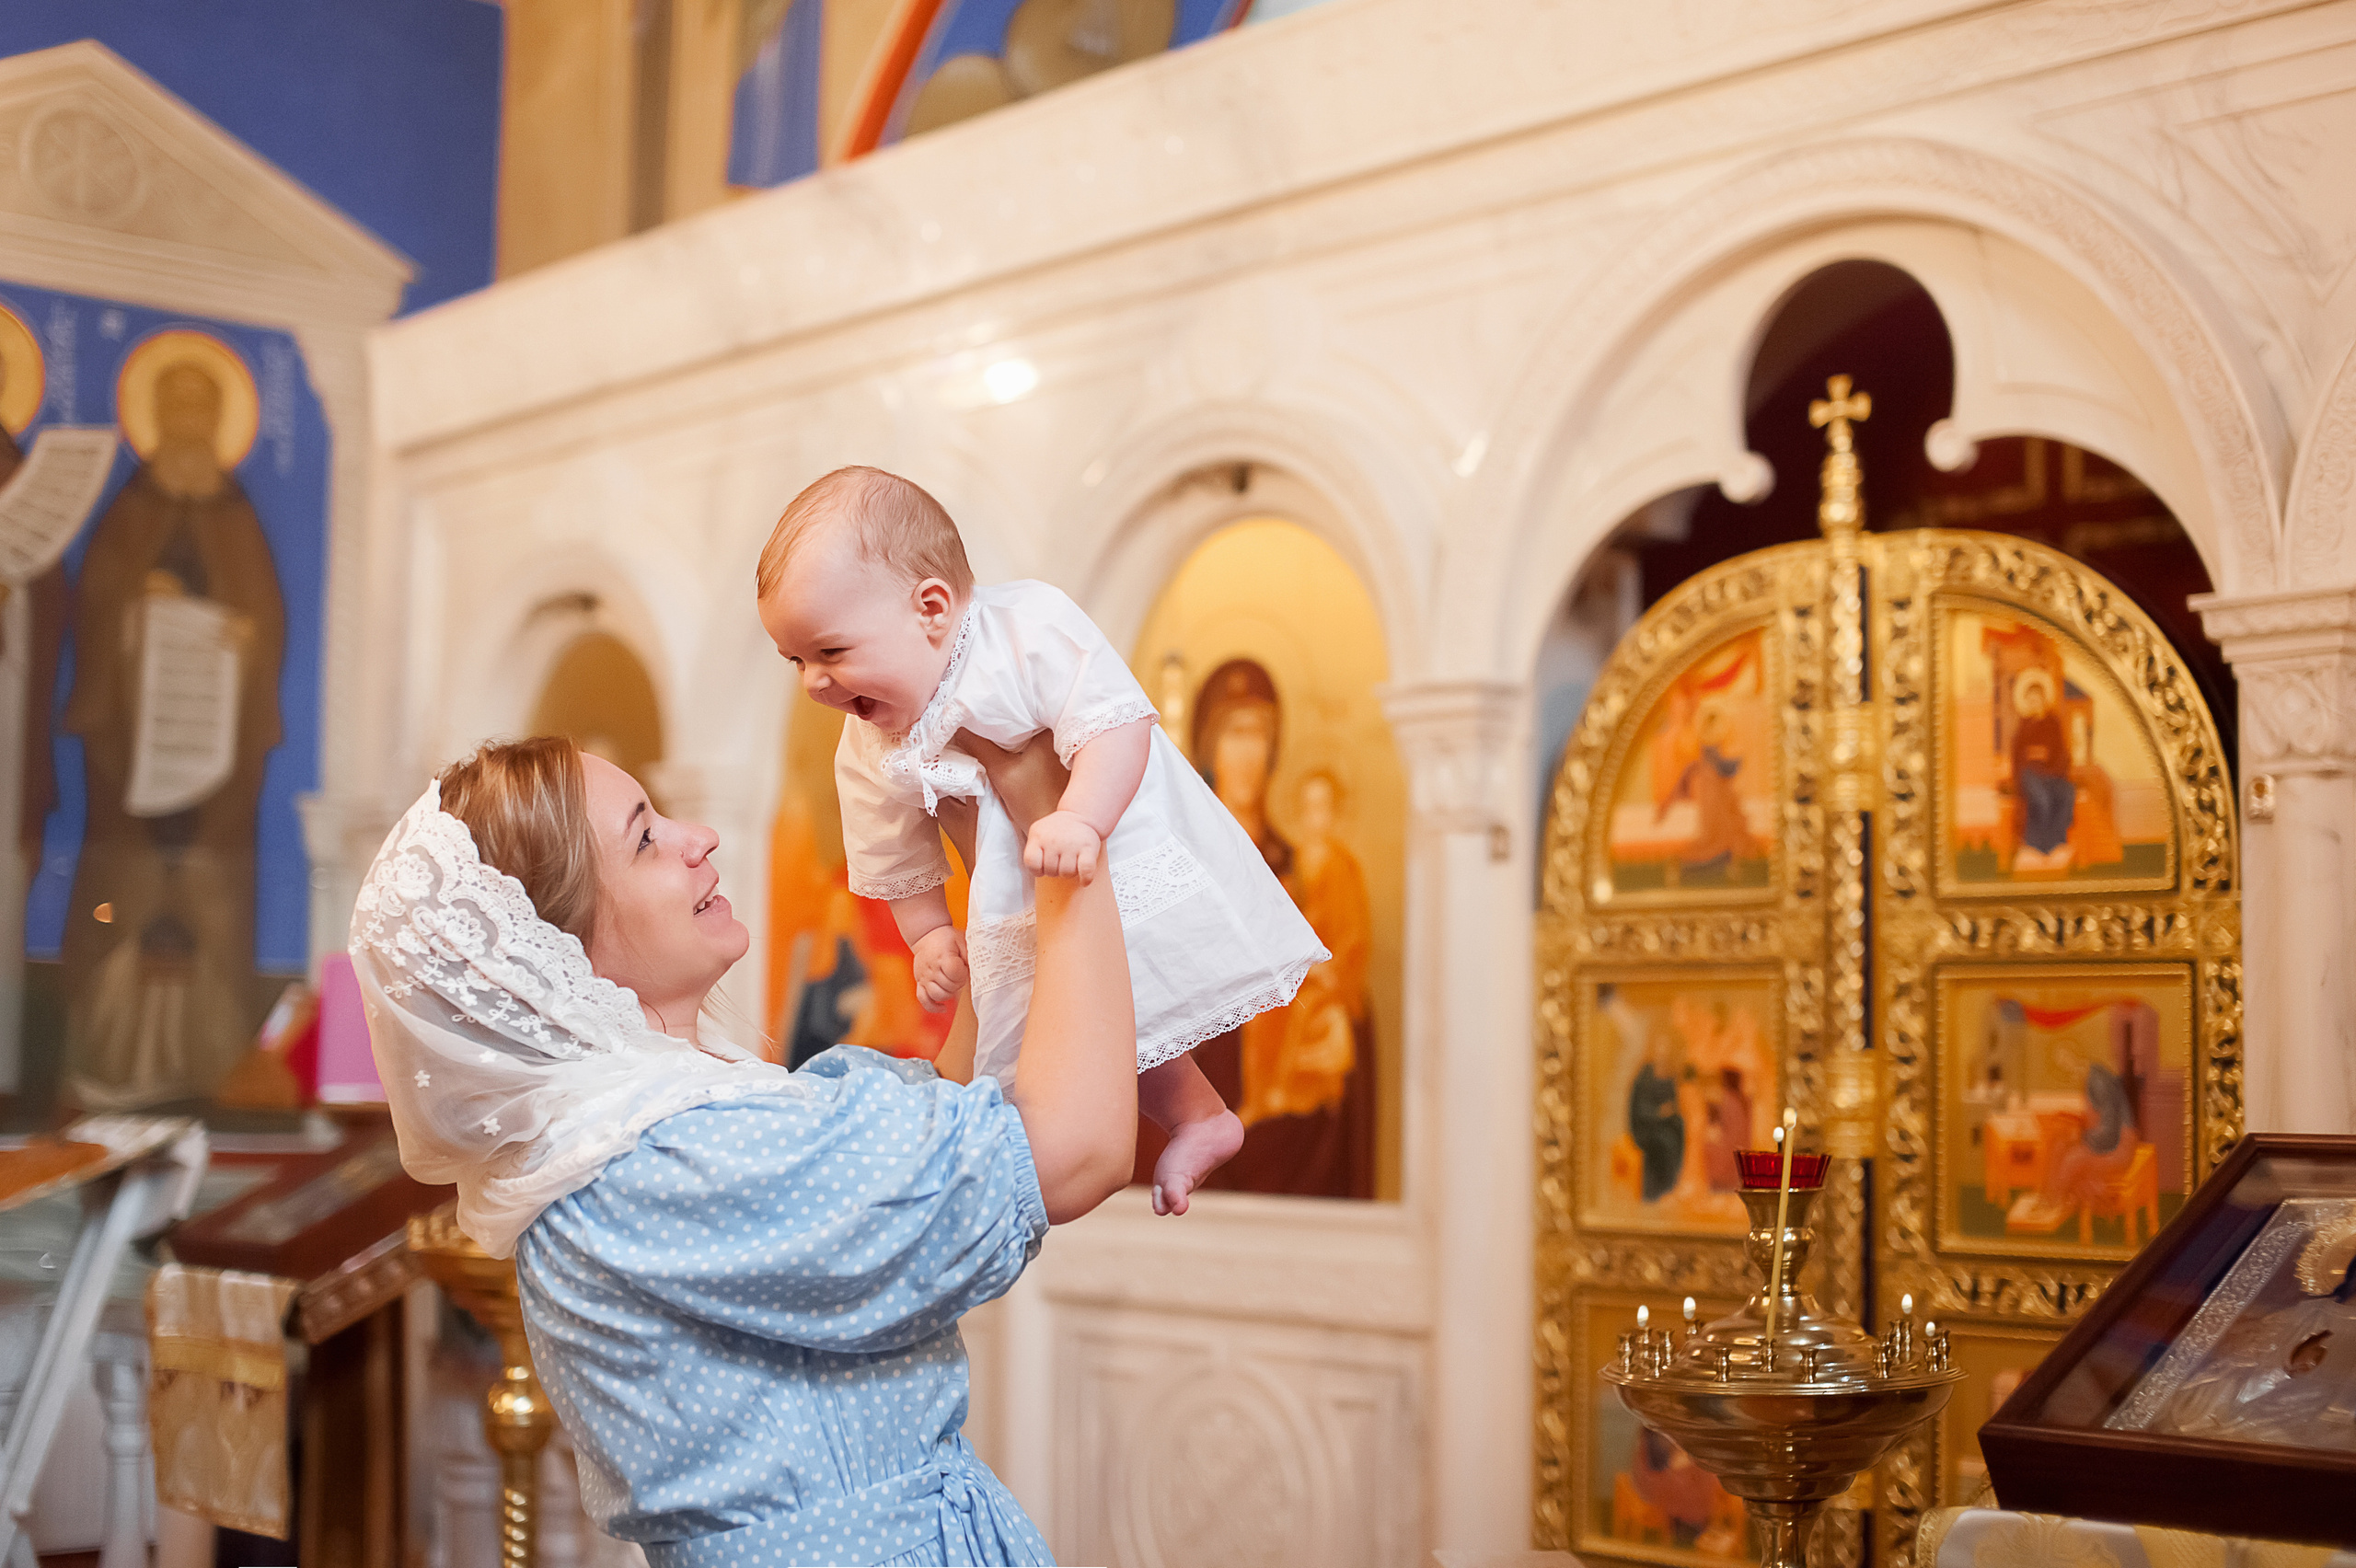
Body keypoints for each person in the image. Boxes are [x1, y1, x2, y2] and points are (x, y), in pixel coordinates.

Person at [354, 730, 1128, 1564]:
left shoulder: (651, 1128)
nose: (700, 839)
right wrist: (1066, 827)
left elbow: (953, 1109)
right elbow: (1073, 1151)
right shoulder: (662, 1158)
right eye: (646, 838)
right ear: (555, 951)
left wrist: (998, 855)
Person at [756, 467, 1327, 1216]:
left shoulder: (1024, 629)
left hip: (1117, 833)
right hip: (1016, 893)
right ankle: (1199, 1115)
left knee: (1131, 987)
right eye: (795, 662)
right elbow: (889, 849)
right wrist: (927, 934)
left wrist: (1080, 817)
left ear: (931, 609)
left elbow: (1118, 723)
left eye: (830, 653)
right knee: (1079, 1031)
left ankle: (1197, 1113)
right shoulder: (866, 740)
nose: (814, 685)